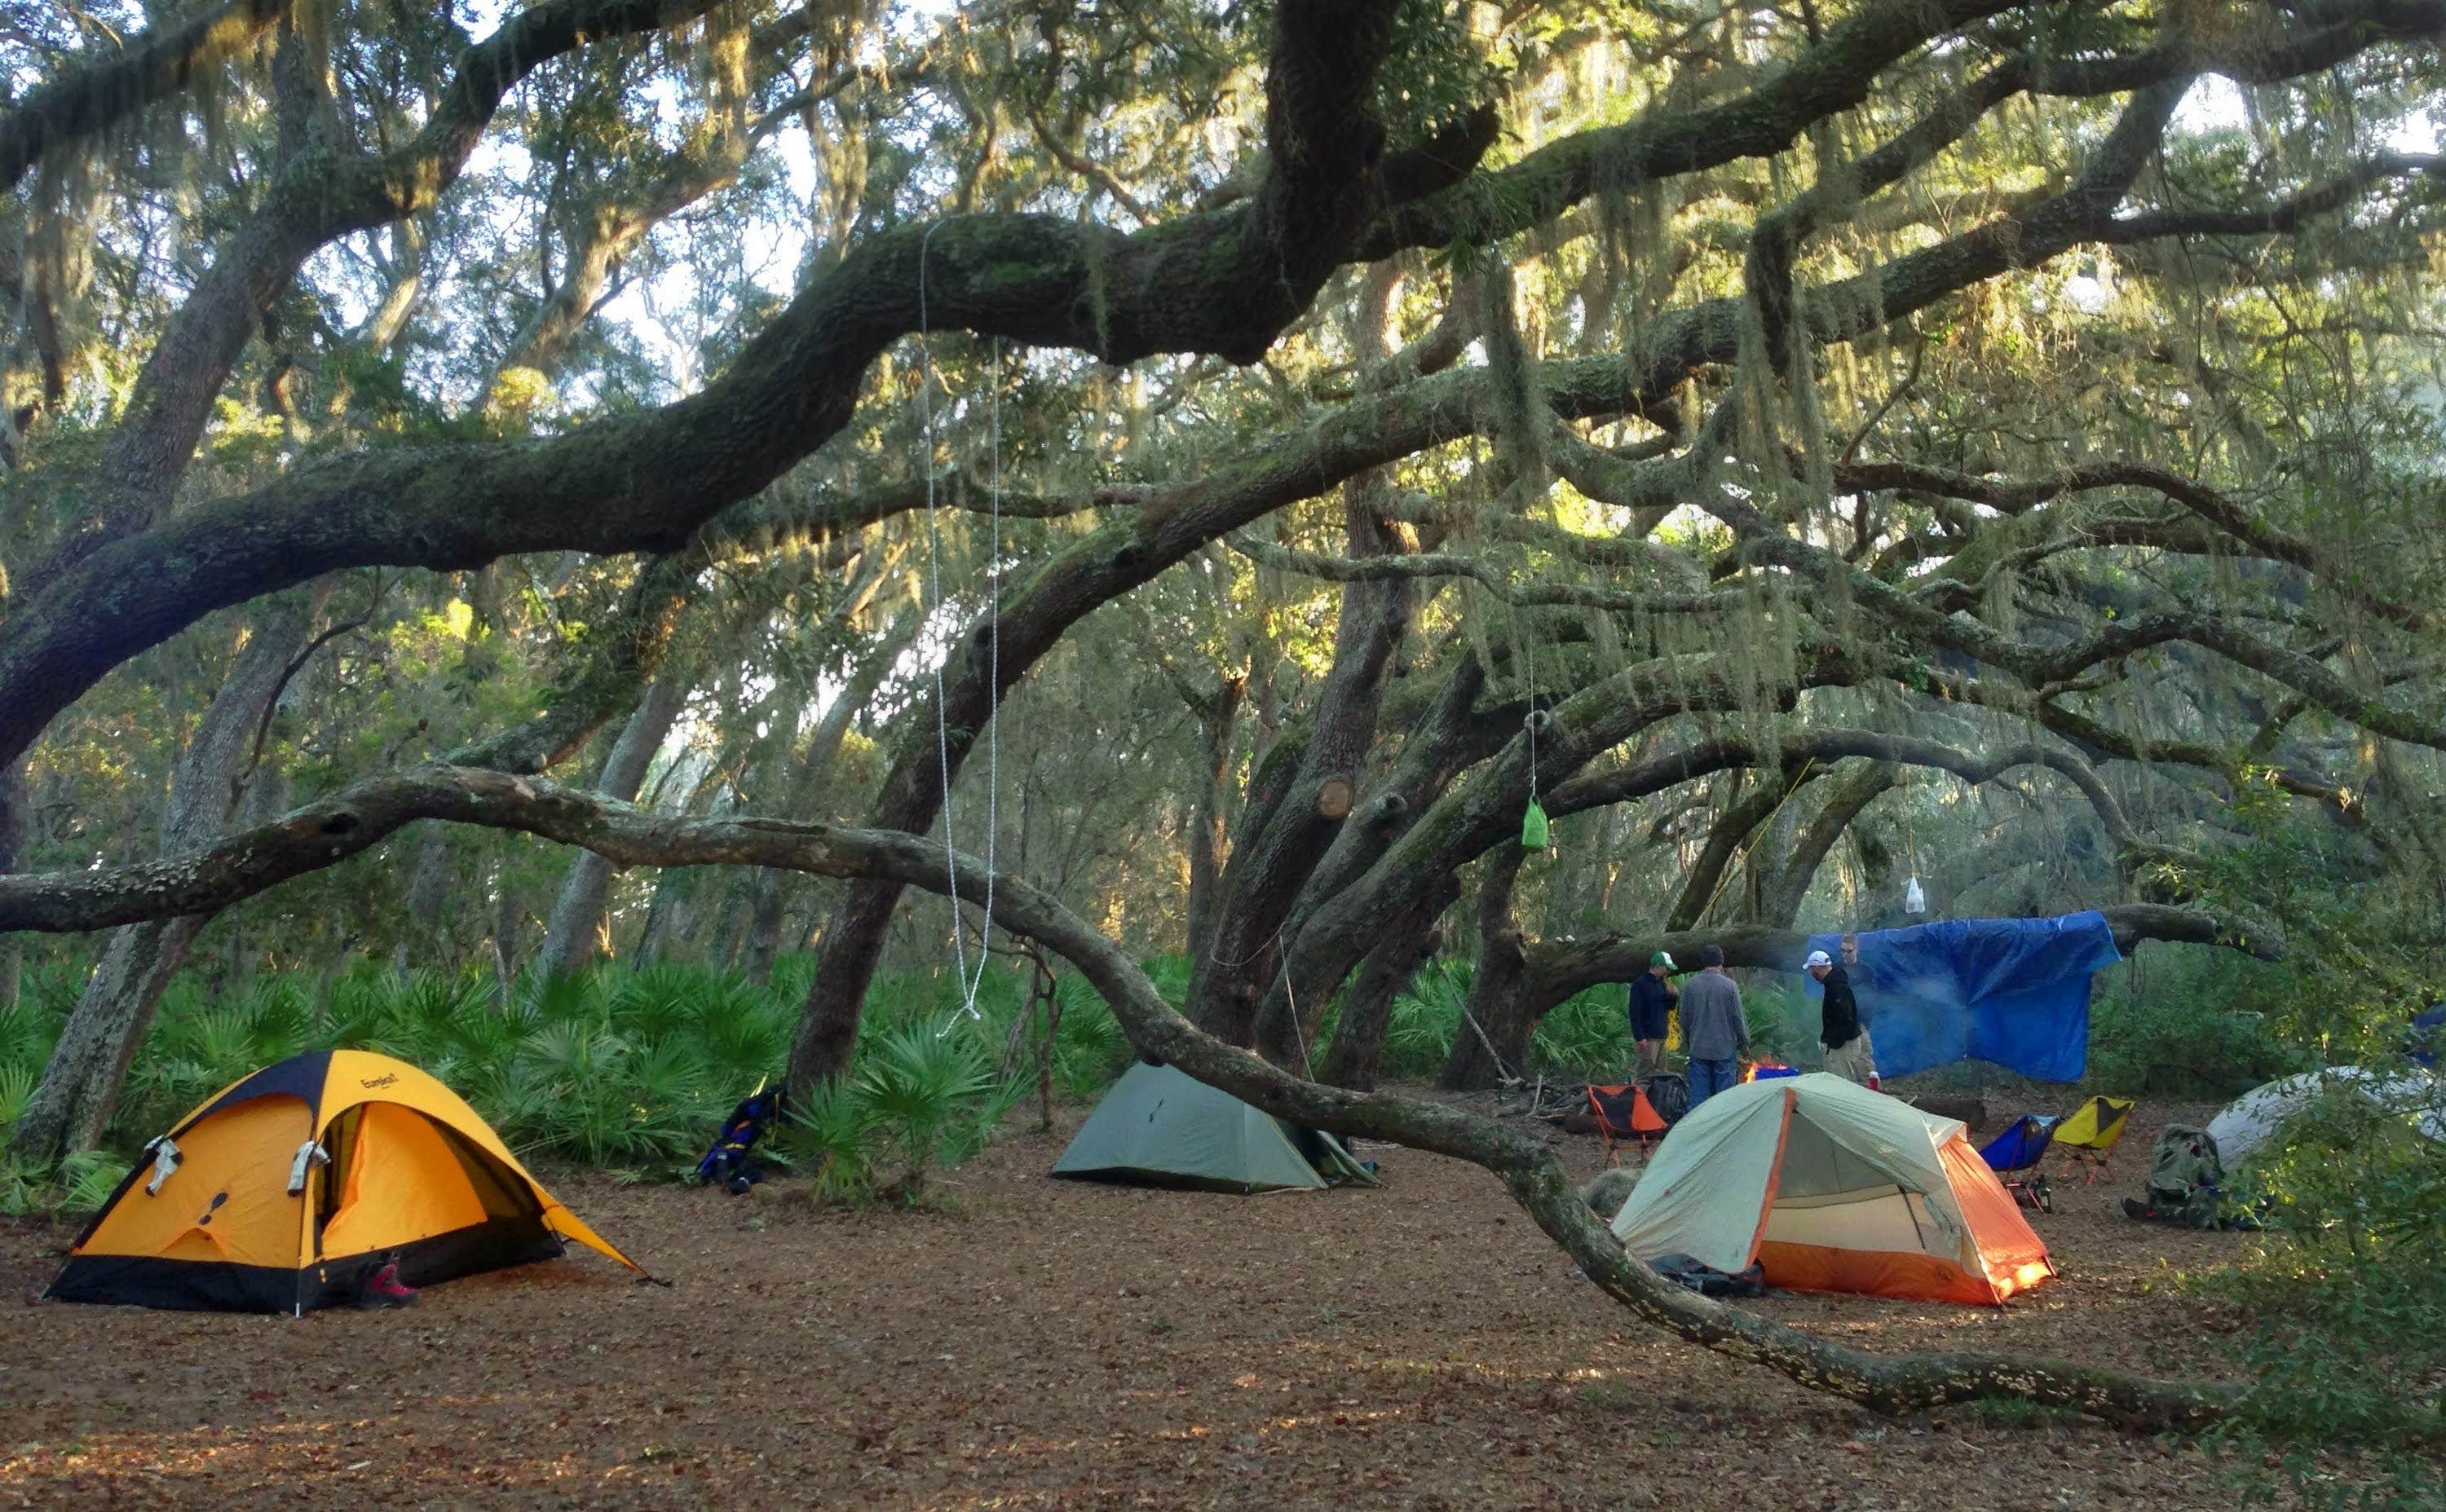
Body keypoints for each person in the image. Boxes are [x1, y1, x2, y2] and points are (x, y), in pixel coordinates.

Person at [1678, 945, 1749, 1109]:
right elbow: (1738, 1018)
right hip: (1724, 1049)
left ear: (1703, 962)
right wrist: (1744, 1044)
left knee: (1698, 1097)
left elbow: (1684, 1018)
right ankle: (1722, 1130)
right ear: (1721, 961)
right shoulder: (1730, 986)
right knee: (1724, 1099)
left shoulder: (1690, 985)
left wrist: (1690, 1039)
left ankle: (1698, 1130)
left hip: (1698, 1048)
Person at [1807, 948, 1876, 1088]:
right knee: (1840, 1083)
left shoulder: (1836, 987)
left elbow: (1845, 1016)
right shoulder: (1833, 982)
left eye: (1810, 969)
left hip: (1843, 1046)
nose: (1810, 973)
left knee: (1843, 1086)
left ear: (1816, 968)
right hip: (1842, 1044)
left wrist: (1834, 1042)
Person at [1627, 951, 1678, 1080]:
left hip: (1661, 1035)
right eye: (1666, 969)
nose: (1668, 972)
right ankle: (1640, 1097)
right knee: (1645, 1073)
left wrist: (1673, 997)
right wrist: (1640, 1037)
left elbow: (1668, 1007)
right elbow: (1634, 1013)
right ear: (1657, 966)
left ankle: (1659, 1099)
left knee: (1663, 1073)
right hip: (1648, 1037)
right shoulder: (1640, 985)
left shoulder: (1661, 983)